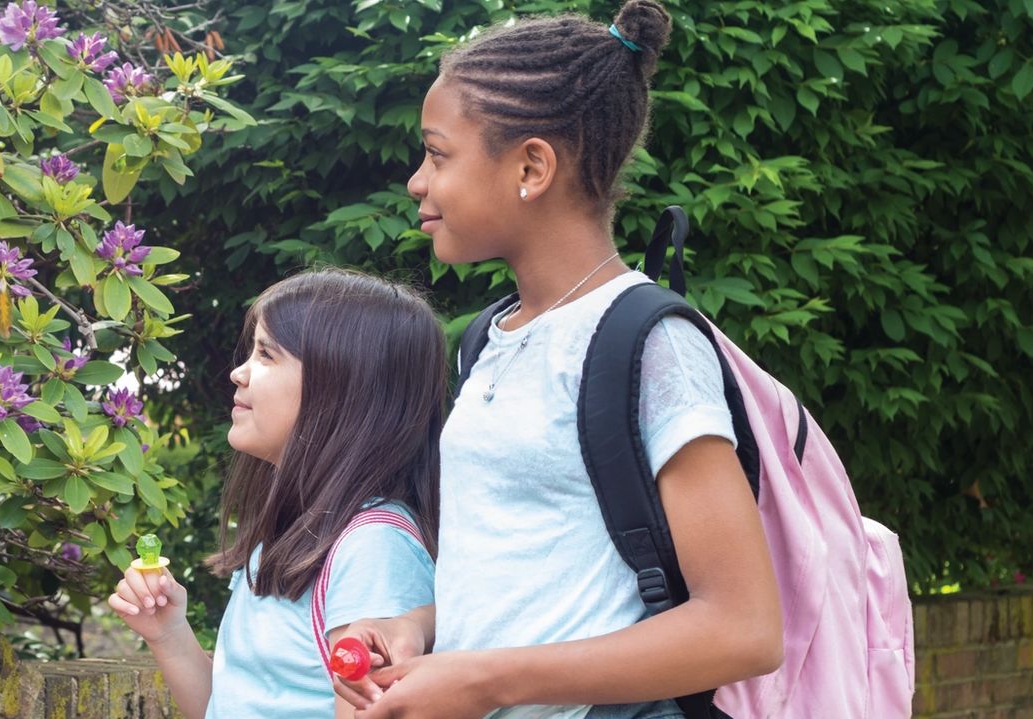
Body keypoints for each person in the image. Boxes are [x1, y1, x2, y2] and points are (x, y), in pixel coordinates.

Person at [333, 3, 782, 717]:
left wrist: (485, 682)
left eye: (438, 154)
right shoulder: (487, 338)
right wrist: (413, 629)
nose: (417, 181)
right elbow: (525, 586)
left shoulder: (649, 343)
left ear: (532, 166)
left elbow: (745, 628)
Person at [108, 268, 444, 718]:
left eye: (266, 355)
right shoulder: (301, 530)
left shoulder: (372, 550)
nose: (238, 373)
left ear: (340, 386)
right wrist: (168, 632)